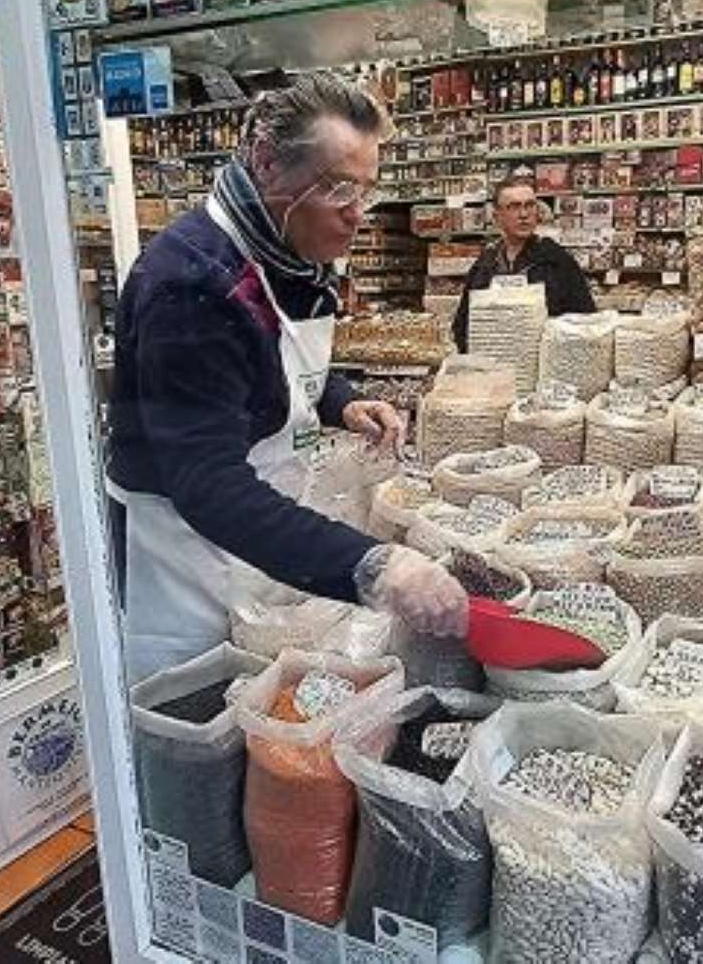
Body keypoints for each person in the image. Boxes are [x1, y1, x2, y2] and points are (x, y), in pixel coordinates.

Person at [108, 74, 468, 682]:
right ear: (268, 163)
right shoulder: (191, 284)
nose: (357, 214)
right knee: (201, 722)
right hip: (187, 569)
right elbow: (209, 485)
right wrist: (372, 565)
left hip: (254, 549)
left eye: (368, 190)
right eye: (339, 188)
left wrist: (340, 401)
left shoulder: (284, 252)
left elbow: (266, 364)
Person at [452, 175, 597, 351]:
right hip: (492, 361)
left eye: (529, 205)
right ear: (497, 216)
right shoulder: (485, 263)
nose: (523, 214)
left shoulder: (556, 260)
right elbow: (463, 325)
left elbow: (586, 321)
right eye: (514, 207)